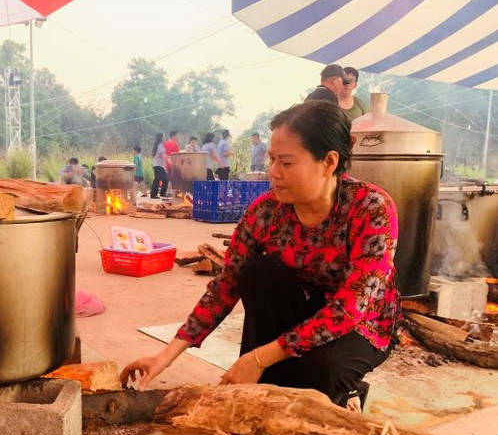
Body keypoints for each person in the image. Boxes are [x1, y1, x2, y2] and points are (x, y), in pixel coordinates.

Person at [121, 101, 400, 412]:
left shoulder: (371, 208)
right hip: (304, 308)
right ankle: (271, 383)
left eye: (287, 163)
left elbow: (350, 308)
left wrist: (257, 358)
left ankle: (345, 389)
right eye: (272, 160)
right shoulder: (266, 212)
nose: (274, 172)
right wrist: (166, 355)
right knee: (257, 272)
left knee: (319, 373)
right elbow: (225, 287)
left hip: (362, 321)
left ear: (329, 162)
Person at [150, 133, 169, 198]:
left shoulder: (158, 145)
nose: (164, 138)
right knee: (164, 179)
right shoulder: (160, 145)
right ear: (161, 138)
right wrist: (168, 160)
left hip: (157, 165)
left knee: (159, 179)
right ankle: (158, 194)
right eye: (164, 137)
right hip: (159, 165)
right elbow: (162, 155)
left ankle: (156, 194)